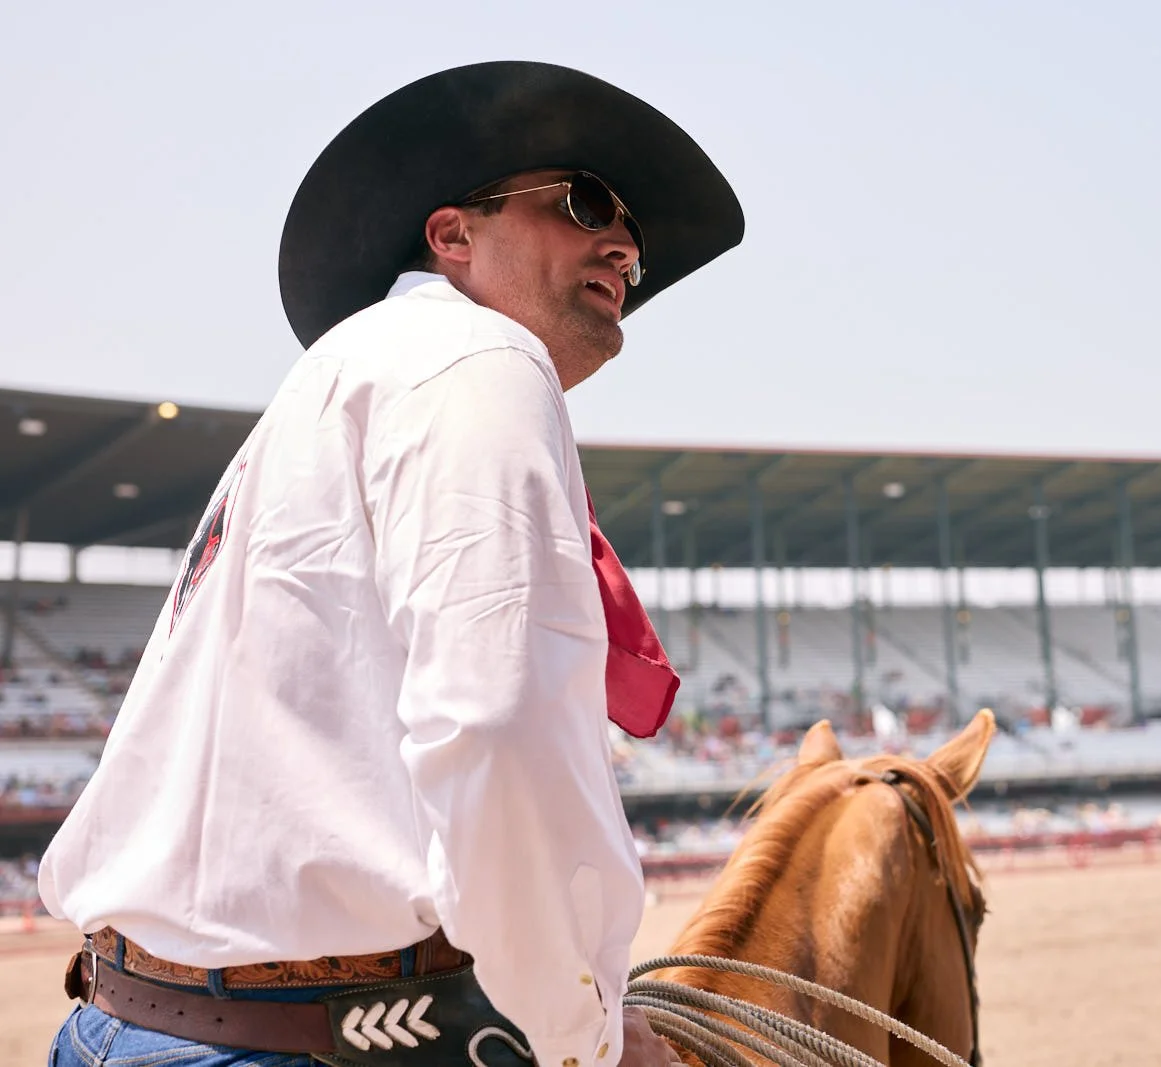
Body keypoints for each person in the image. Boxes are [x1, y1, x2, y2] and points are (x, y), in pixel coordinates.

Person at [37, 60, 743, 1067]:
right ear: (453, 236)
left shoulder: (325, 385)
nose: (627, 246)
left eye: (630, 234)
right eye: (586, 202)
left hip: (126, 1016)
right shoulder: (481, 357)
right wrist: (581, 1034)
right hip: (318, 1037)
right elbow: (496, 721)